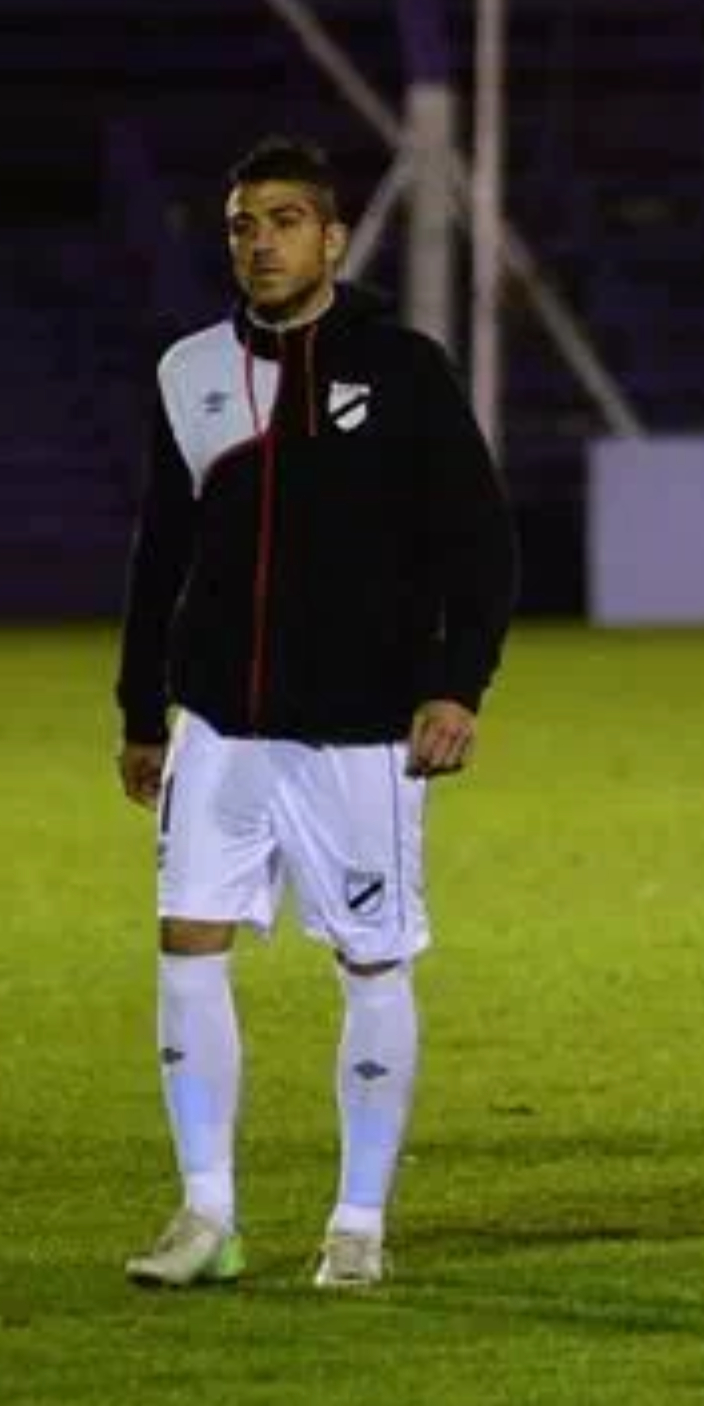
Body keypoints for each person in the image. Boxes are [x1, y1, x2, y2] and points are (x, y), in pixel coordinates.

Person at [114, 134, 517, 1291]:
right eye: (243, 224)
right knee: (187, 945)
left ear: (333, 238)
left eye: (285, 221)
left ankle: (357, 1221)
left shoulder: (404, 369)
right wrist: (145, 710)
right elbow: (161, 555)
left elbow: (479, 542)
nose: (260, 243)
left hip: (361, 732)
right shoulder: (188, 371)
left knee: (373, 963)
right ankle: (206, 1214)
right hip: (219, 729)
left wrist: (456, 685)